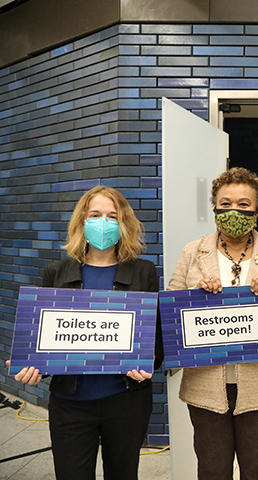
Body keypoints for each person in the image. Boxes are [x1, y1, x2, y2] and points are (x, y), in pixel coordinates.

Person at [7, 185, 161, 480]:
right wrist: (33, 364)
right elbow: (47, 335)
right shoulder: (56, 272)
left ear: (124, 223)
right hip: (70, 405)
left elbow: (154, 335)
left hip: (126, 402)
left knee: (123, 474)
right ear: (82, 222)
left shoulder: (144, 271)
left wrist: (150, 358)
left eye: (112, 216)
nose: (104, 222)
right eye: (95, 214)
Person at [168, 167, 258, 480]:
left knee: (257, 469)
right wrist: (195, 297)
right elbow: (169, 317)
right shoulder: (193, 253)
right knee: (212, 468)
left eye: (244, 205)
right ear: (215, 207)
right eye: (226, 203)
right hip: (204, 385)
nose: (234, 210)